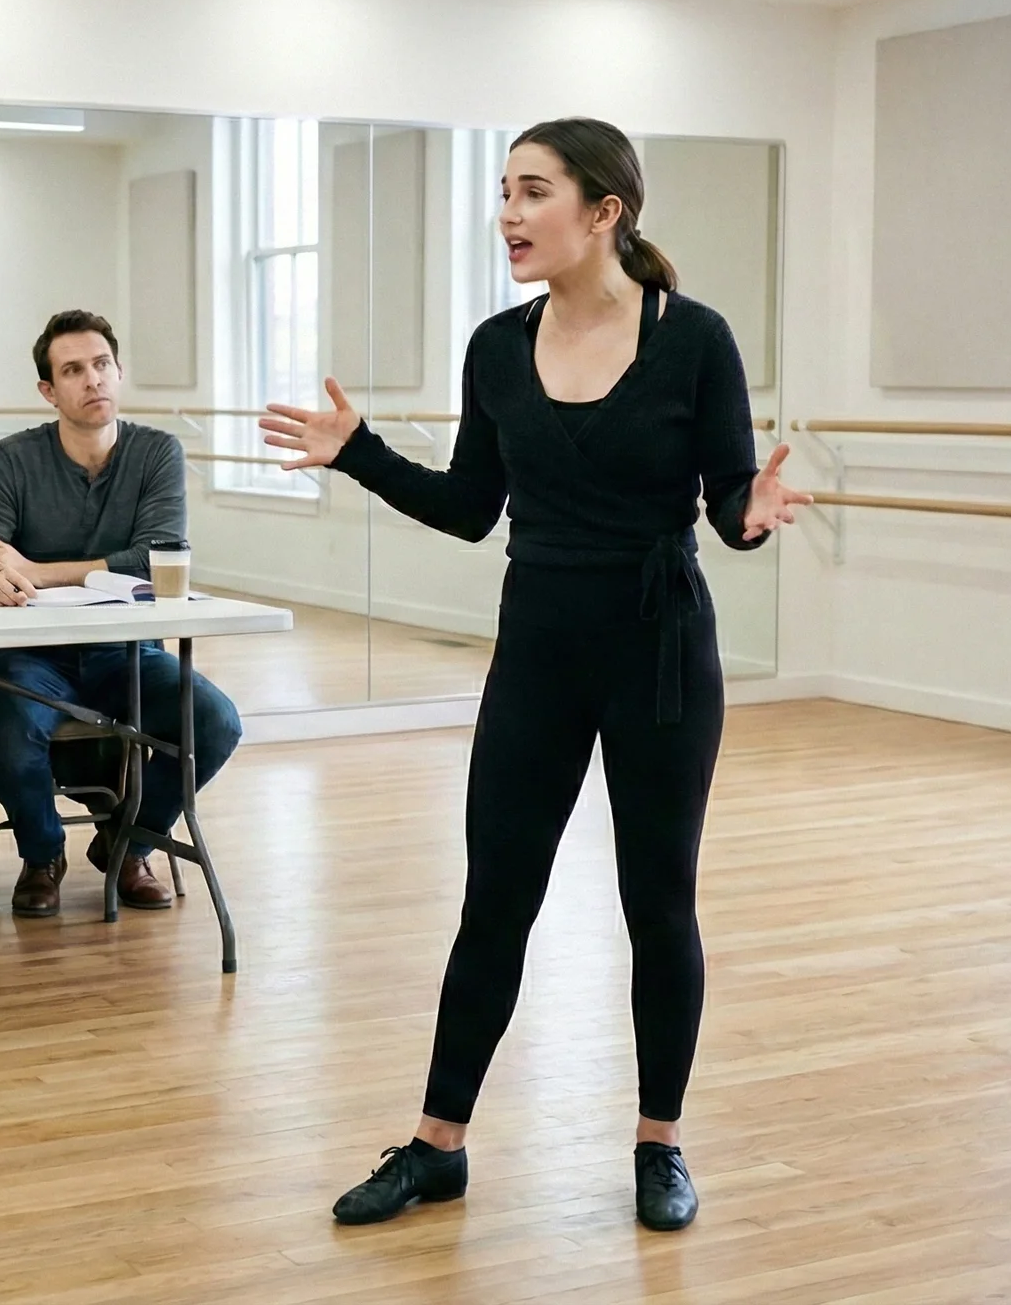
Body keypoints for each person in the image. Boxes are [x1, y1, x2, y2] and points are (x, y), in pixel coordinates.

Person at [262, 118, 811, 1233]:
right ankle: (437, 1145)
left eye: (532, 191)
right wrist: (356, 451)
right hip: (538, 652)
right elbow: (471, 509)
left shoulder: (694, 339)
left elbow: (726, 497)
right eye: (502, 192)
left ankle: (659, 1143)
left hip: (659, 652)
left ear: (604, 211)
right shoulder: (495, 347)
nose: (507, 214)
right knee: (494, 900)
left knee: (656, 903)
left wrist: (747, 519)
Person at [0, 309, 243, 919]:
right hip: (31, 652)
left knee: (215, 721)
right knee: (2, 713)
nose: (93, 380)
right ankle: (42, 854)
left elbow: (154, 558)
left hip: (126, 653)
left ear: (119, 371)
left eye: (102, 365)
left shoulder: (156, 451)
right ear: (48, 391)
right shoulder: (12, 459)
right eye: (74, 370)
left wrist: (35, 569)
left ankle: (128, 846)